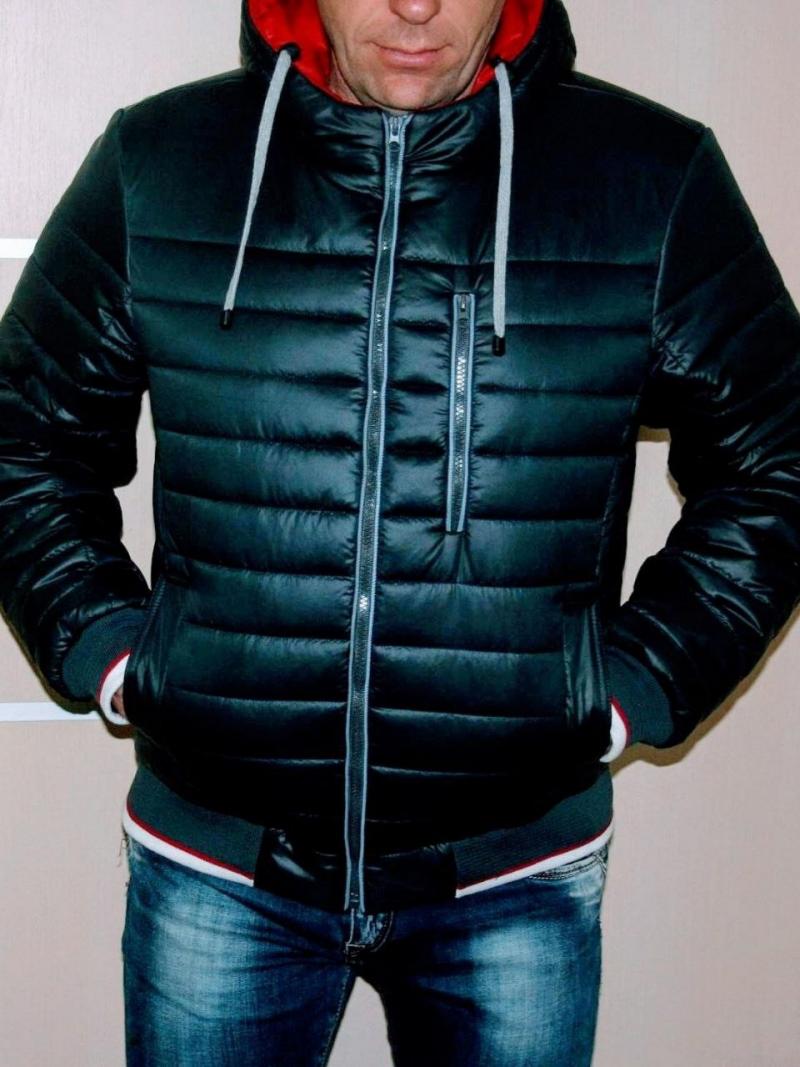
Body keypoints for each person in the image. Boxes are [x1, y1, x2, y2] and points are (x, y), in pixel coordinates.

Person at [1, 0, 798, 1062]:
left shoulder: (646, 180)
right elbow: (23, 439)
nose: (416, 5)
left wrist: (629, 683)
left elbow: (778, 460)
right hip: (220, 868)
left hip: (513, 879)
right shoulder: (161, 163)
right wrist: (112, 655)